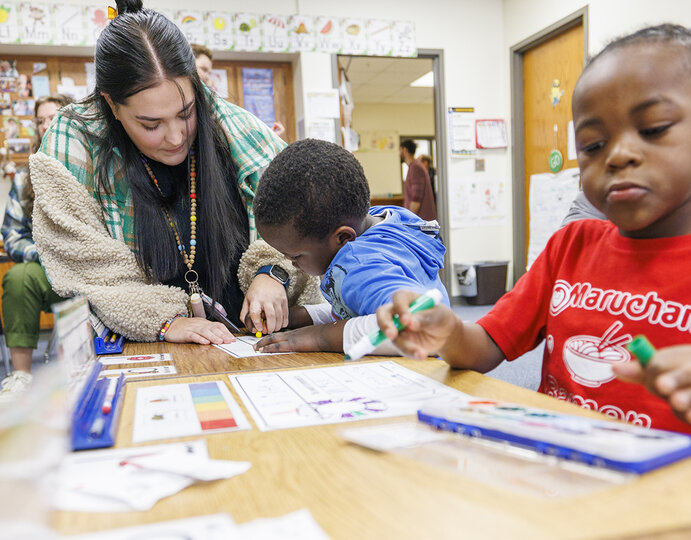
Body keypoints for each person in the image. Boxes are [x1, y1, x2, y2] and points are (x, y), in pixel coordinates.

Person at [377, 24, 691, 447]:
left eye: (653, 129)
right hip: (557, 468)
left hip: (672, 493)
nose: (618, 155)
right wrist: (448, 332)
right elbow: (483, 346)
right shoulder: (570, 247)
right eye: (593, 145)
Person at [29, 0, 321, 350]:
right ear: (111, 104)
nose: (175, 137)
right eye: (150, 124)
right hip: (144, 347)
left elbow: (302, 214)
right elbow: (85, 266)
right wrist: (164, 320)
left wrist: (271, 272)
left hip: (249, 339)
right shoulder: (76, 141)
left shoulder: (235, 128)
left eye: (186, 113)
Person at [250, 138, 449, 355]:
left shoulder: (358, 264)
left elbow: (424, 324)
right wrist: (301, 315)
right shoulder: (385, 218)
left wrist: (318, 337)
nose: (291, 263)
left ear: (343, 238)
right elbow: (360, 307)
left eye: (295, 255)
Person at [0, 94, 73, 400]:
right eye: (40, 120)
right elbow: (12, 236)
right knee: (18, 277)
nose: (46, 125)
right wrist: (47, 256)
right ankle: (20, 376)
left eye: (53, 117)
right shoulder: (23, 178)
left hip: (90, 271)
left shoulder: (95, 166)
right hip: (46, 271)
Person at [400, 140, 436, 221]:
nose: (398, 154)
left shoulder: (415, 167)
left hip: (420, 222)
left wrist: (408, 220)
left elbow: (416, 199)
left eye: (400, 150)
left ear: (405, 150)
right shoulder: (413, 166)